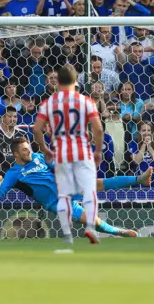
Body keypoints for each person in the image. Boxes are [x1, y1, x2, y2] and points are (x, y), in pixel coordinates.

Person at [0, 137, 153, 238]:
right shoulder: (12, 174)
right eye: (25, 150)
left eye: (29, 148)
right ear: (16, 154)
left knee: (100, 182)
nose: (29, 152)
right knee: (91, 220)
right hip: (56, 202)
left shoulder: (38, 157)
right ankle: (120, 232)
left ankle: (139, 179)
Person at [33, 65, 104, 246]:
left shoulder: (48, 103)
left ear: (58, 82)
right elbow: (97, 128)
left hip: (61, 154)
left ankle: (67, 234)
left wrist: (44, 148)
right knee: (89, 191)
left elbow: (37, 129)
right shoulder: (86, 101)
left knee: (64, 195)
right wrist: (98, 151)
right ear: (74, 81)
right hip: (82, 151)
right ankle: (90, 227)